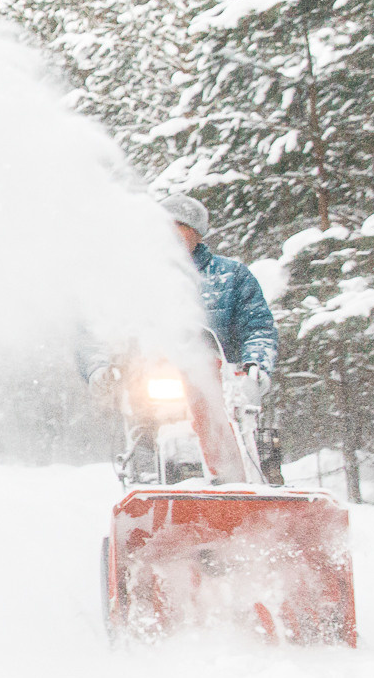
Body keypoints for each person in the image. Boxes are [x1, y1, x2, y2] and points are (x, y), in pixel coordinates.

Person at [85, 193, 283, 481]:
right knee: (144, 428)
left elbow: (258, 327)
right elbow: (103, 328)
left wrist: (256, 365)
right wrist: (100, 366)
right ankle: (150, 486)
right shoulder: (134, 280)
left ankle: (248, 481)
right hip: (155, 382)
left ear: (197, 233)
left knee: (253, 433)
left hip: (223, 383)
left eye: (180, 227)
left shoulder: (232, 276)